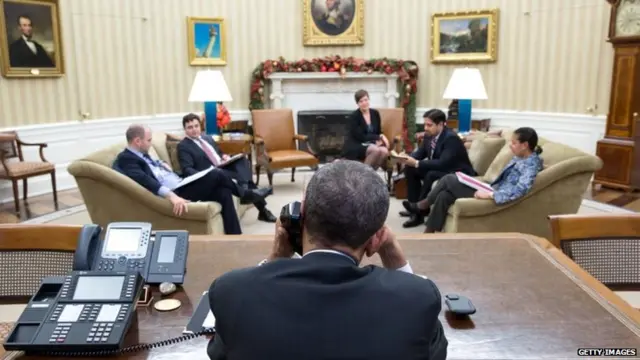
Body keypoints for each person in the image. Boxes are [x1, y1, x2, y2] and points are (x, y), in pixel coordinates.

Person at [206, 160, 448, 360]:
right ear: (375, 239)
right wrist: (393, 252)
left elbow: (219, 353)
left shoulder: (231, 292)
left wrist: (276, 258)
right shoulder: (419, 299)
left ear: (299, 218)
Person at [114, 125, 271, 235]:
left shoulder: (140, 153)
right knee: (217, 174)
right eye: (148, 140)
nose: (150, 143)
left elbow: (153, 169)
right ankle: (245, 195)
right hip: (177, 192)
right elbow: (145, 180)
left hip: (180, 182)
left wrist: (161, 164)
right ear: (137, 141)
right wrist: (172, 196)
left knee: (223, 191)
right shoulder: (127, 159)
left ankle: (234, 237)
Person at [405, 127, 544, 233]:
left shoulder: (531, 165)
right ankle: (429, 233)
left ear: (525, 145)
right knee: (444, 195)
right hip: (491, 188)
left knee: (448, 179)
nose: (510, 146)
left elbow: (520, 189)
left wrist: (490, 195)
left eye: (514, 143)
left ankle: (422, 205)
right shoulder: (521, 157)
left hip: (496, 196)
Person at [177, 113, 276, 223]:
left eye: (196, 126)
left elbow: (218, 153)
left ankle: (245, 189)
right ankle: (261, 209)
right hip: (211, 175)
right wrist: (204, 175)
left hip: (222, 166)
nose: (194, 130)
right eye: (190, 127)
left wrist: (224, 157)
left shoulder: (207, 138)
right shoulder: (183, 146)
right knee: (245, 179)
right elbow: (187, 169)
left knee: (242, 160)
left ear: (200, 126)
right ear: (185, 129)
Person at [397, 109, 475, 228]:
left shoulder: (450, 138)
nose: (426, 128)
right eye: (425, 124)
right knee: (410, 168)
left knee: (431, 174)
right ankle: (414, 208)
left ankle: (419, 213)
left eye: (429, 125)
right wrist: (407, 158)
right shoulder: (429, 136)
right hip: (441, 168)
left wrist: (417, 163)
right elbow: (420, 153)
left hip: (456, 171)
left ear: (440, 124)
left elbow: (443, 163)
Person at [341, 89, 390, 170]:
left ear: (369, 100)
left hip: (371, 143)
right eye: (361, 101)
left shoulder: (375, 113)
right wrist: (378, 137)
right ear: (357, 103)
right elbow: (361, 137)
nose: (364, 103)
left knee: (384, 151)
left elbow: (378, 131)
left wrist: (381, 137)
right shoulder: (354, 116)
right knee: (375, 150)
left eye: (366, 100)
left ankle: (371, 174)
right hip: (357, 144)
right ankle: (363, 174)